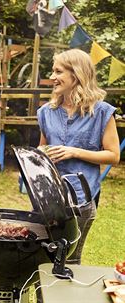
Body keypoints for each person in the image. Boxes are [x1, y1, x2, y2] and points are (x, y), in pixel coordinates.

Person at [37, 48, 120, 265]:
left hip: (81, 201)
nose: (52, 77)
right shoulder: (46, 111)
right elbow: (42, 148)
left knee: (70, 260)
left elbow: (113, 155)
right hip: (47, 199)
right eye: (53, 71)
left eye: (58, 72)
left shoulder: (101, 112)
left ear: (76, 75)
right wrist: (39, 156)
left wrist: (74, 151)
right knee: (40, 259)